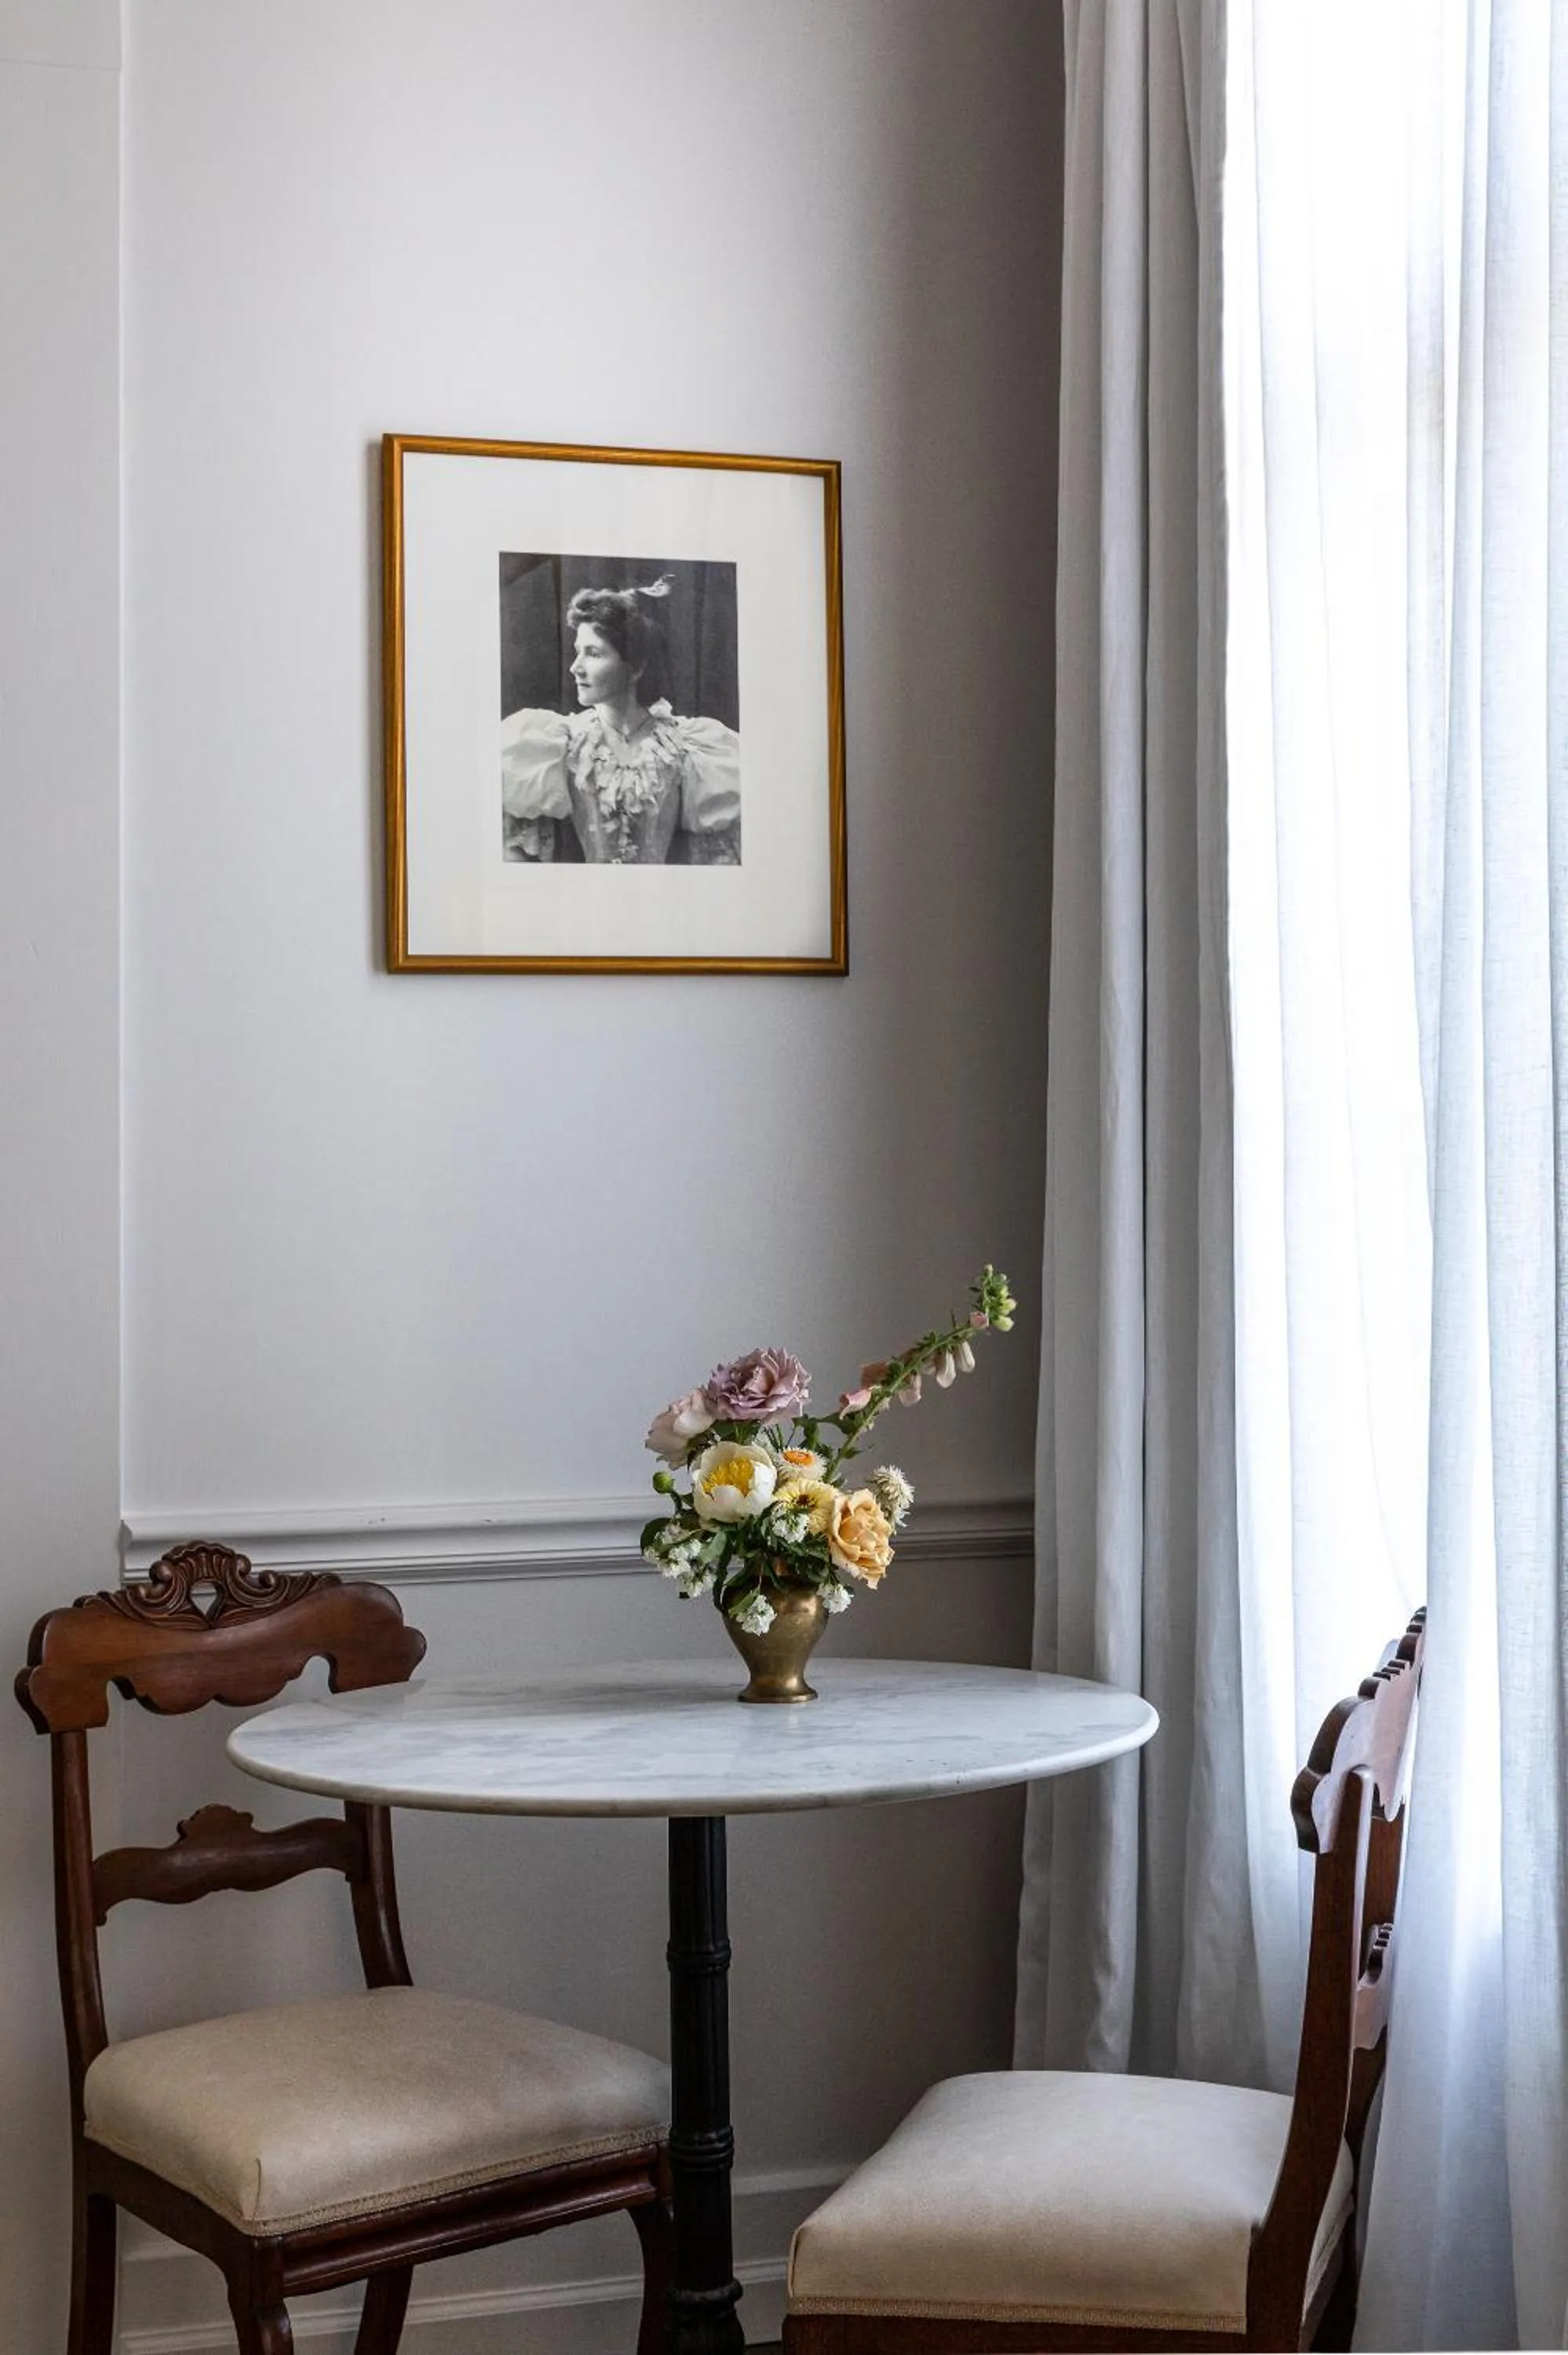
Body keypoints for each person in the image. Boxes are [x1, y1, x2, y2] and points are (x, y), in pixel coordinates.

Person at [500, 577, 741, 865]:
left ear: (636, 667)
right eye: (578, 651)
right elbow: (513, 859)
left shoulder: (690, 747)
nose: (575, 668)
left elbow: (721, 863)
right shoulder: (556, 742)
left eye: (593, 653)